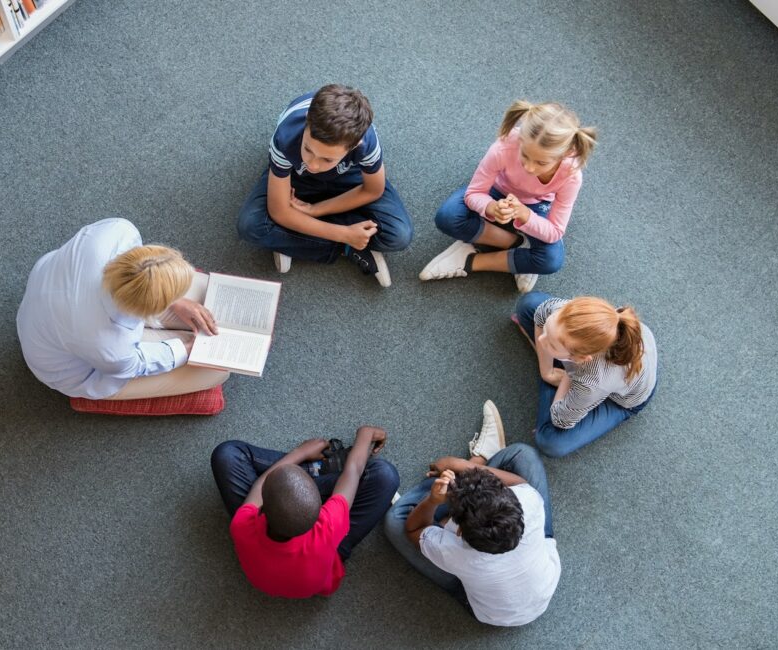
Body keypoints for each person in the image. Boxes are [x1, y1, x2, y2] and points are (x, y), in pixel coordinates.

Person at [385, 401, 561, 626]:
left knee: (395, 521)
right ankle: (470, 468)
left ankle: (463, 472)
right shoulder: (528, 501)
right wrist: (458, 465)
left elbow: (412, 528)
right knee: (522, 455)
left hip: (487, 610)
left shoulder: (456, 553)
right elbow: (521, 483)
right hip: (541, 587)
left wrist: (434, 498)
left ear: (458, 531)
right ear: (512, 500)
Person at [16, 218, 230, 400]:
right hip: (79, 365)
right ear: (149, 309)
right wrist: (185, 350)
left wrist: (176, 300)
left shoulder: (118, 232)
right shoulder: (110, 348)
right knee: (215, 373)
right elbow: (136, 363)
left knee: (208, 299)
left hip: (54, 297)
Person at [236, 84, 413, 287]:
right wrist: (344, 235)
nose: (313, 165)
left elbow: (373, 190)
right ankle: (348, 247)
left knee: (399, 235)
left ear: (355, 146)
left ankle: (293, 238)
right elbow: (279, 211)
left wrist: (314, 210)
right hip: (296, 177)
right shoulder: (285, 137)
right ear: (306, 126)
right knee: (250, 225)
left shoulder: (366, 140)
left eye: (326, 159)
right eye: (308, 149)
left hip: (349, 175)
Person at [419, 100, 598, 293]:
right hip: (496, 191)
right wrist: (491, 207)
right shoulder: (504, 146)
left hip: (537, 206)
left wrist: (525, 216)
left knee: (551, 260)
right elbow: (474, 193)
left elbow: (555, 231)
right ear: (520, 140)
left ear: (565, 154)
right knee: (447, 217)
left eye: (541, 162)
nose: (529, 167)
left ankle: (470, 260)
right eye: (525, 155)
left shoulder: (571, 175)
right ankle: (518, 245)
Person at [211, 426, 400, 598]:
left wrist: (300, 452)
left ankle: (309, 470)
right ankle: (315, 471)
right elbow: (353, 470)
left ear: (261, 509)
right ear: (320, 512)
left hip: (272, 557)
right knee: (385, 475)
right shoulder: (327, 525)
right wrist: (365, 434)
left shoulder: (242, 524)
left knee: (227, 454)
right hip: (329, 554)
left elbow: (263, 484)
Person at [511, 292, 658, 457]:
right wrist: (547, 373)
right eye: (546, 331)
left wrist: (571, 375)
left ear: (581, 359)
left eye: (551, 344)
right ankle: (560, 369)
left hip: (626, 398)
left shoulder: (592, 382)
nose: (541, 341)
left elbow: (561, 419)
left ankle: (566, 378)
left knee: (549, 442)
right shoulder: (560, 311)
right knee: (528, 304)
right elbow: (541, 315)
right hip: (596, 367)